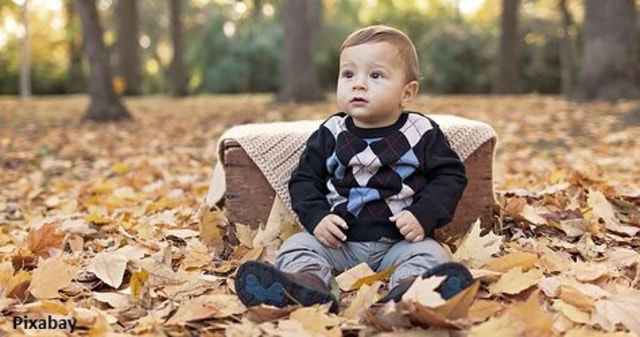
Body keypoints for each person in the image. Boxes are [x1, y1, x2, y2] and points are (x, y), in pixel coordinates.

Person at [235, 25, 473, 313]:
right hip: (339, 244)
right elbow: (304, 179)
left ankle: (410, 289)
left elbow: (450, 176)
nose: (358, 84)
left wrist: (423, 215)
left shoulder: (420, 132)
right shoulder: (332, 132)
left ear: (406, 93)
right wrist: (318, 217)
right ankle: (308, 284)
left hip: (400, 243)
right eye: (348, 74)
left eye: (375, 75)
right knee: (298, 245)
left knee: (431, 254)